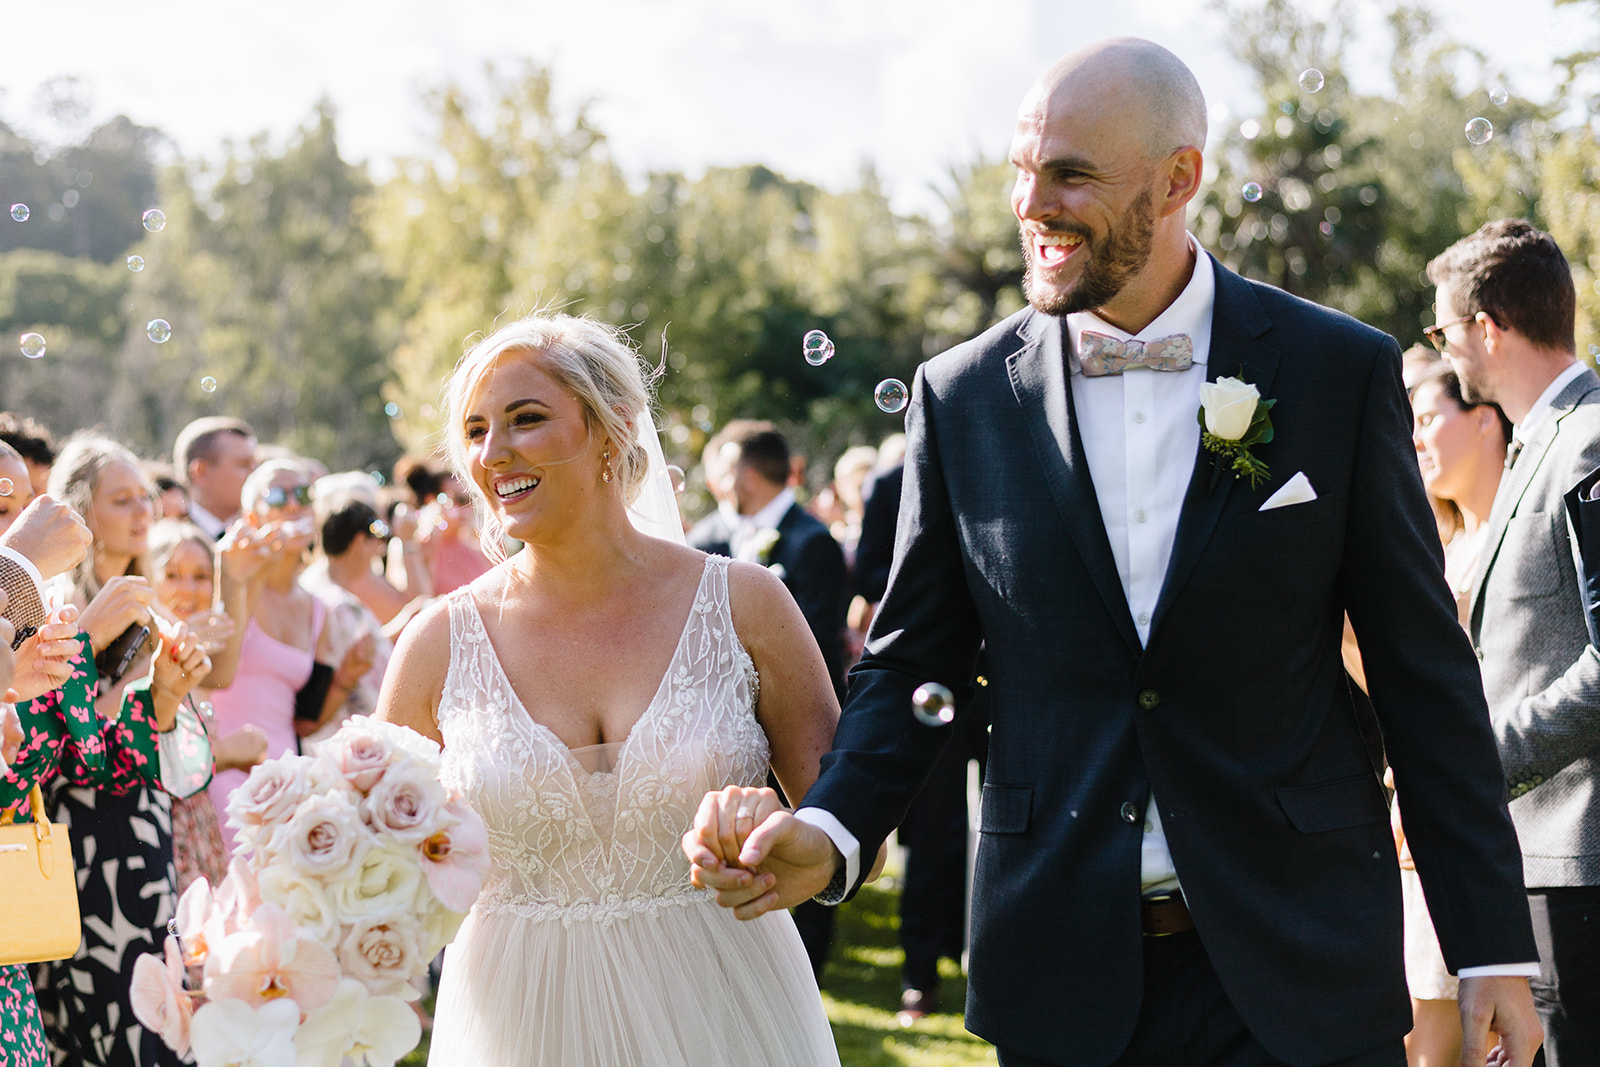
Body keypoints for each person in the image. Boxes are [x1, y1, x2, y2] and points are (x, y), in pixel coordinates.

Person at [686, 39, 1542, 1067]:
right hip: (1061, 969)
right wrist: (827, 830)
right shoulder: (961, 397)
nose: (1029, 202)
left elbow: (1424, 674)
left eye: (1070, 173)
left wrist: (1488, 940)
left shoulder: (1334, 370)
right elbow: (915, 663)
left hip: (1300, 957)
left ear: (1179, 176)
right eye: (1021, 167)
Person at [376, 312, 841, 1066]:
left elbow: (855, 828)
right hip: (519, 1020)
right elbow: (379, 857)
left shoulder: (745, 603)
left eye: (526, 419)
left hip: (723, 1004)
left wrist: (783, 830)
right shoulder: (438, 642)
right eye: (475, 430)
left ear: (613, 429)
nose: (494, 454)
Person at [1428, 219, 1600, 1066]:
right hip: (1537, 861)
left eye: (1443, 331)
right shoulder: (1543, 440)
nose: (1446, 352)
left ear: (1486, 327)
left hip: (1583, 861)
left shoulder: (1589, 440)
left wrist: (1481, 762)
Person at [27, 433, 215, 1067]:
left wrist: (166, 697)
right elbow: (72, 756)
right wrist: (89, 642)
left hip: (143, 829)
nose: (144, 512)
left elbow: (150, 748)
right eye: (122, 499)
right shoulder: (56, 609)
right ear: (78, 512)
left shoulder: (145, 607)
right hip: (81, 845)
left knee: (159, 1019)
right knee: (106, 1026)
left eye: (147, 498)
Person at [204, 458, 369, 855]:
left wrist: (346, 677)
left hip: (290, 781)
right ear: (250, 515)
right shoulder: (233, 581)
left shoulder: (319, 610)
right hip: (227, 773)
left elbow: (305, 721)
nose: (293, 505)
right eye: (277, 496)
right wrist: (253, 574)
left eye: (303, 494)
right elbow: (217, 671)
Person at [147, 519, 269, 894]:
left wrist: (230, 578)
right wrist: (226, 754)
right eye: (172, 575)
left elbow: (223, 673)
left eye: (201, 576)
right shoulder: (141, 651)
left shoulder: (193, 651)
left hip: (201, 834)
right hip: (160, 835)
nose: (189, 589)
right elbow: (147, 752)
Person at [171, 416, 256, 540]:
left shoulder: (258, 531)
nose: (255, 472)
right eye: (243, 464)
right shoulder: (173, 540)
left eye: (255, 464)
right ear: (201, 472)